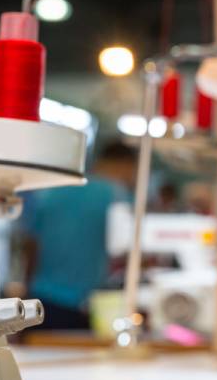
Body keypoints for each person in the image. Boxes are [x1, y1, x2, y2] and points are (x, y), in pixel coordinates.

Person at [17, 140, 138, 330]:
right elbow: (127, 250)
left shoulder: (52, 190)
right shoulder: (117, 196)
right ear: (125, 165)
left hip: (39, 299)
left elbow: (31, 246)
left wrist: (25, 293)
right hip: (84, 304)